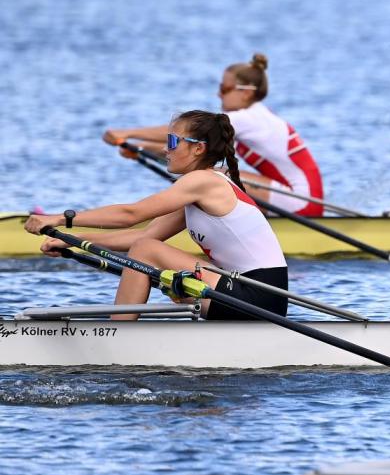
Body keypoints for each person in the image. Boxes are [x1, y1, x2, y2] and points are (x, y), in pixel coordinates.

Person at [28, 110, 288, 321]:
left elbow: (131, 214)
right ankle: (128, 330)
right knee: (155, 260)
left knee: (148, 252)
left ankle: (117, 332)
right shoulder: (201, 188)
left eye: (172, 142)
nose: (165, 149)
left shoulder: (203, 181)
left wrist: (60, 219)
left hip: (259, 295)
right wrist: (74, 240)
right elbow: (143, 235)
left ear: (198, 149)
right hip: (248, 292)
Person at [103, 54, 326, 217]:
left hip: (302, 203)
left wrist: (128, 133)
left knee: (210, 176)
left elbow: (188, 132)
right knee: (206, 168)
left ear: (245, 93)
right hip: (297, 197)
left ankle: (175, 221)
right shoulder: (252, 116)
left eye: (224, 88)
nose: (219, 94)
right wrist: (140, 148)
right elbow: (190, 146)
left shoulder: (250, 118)